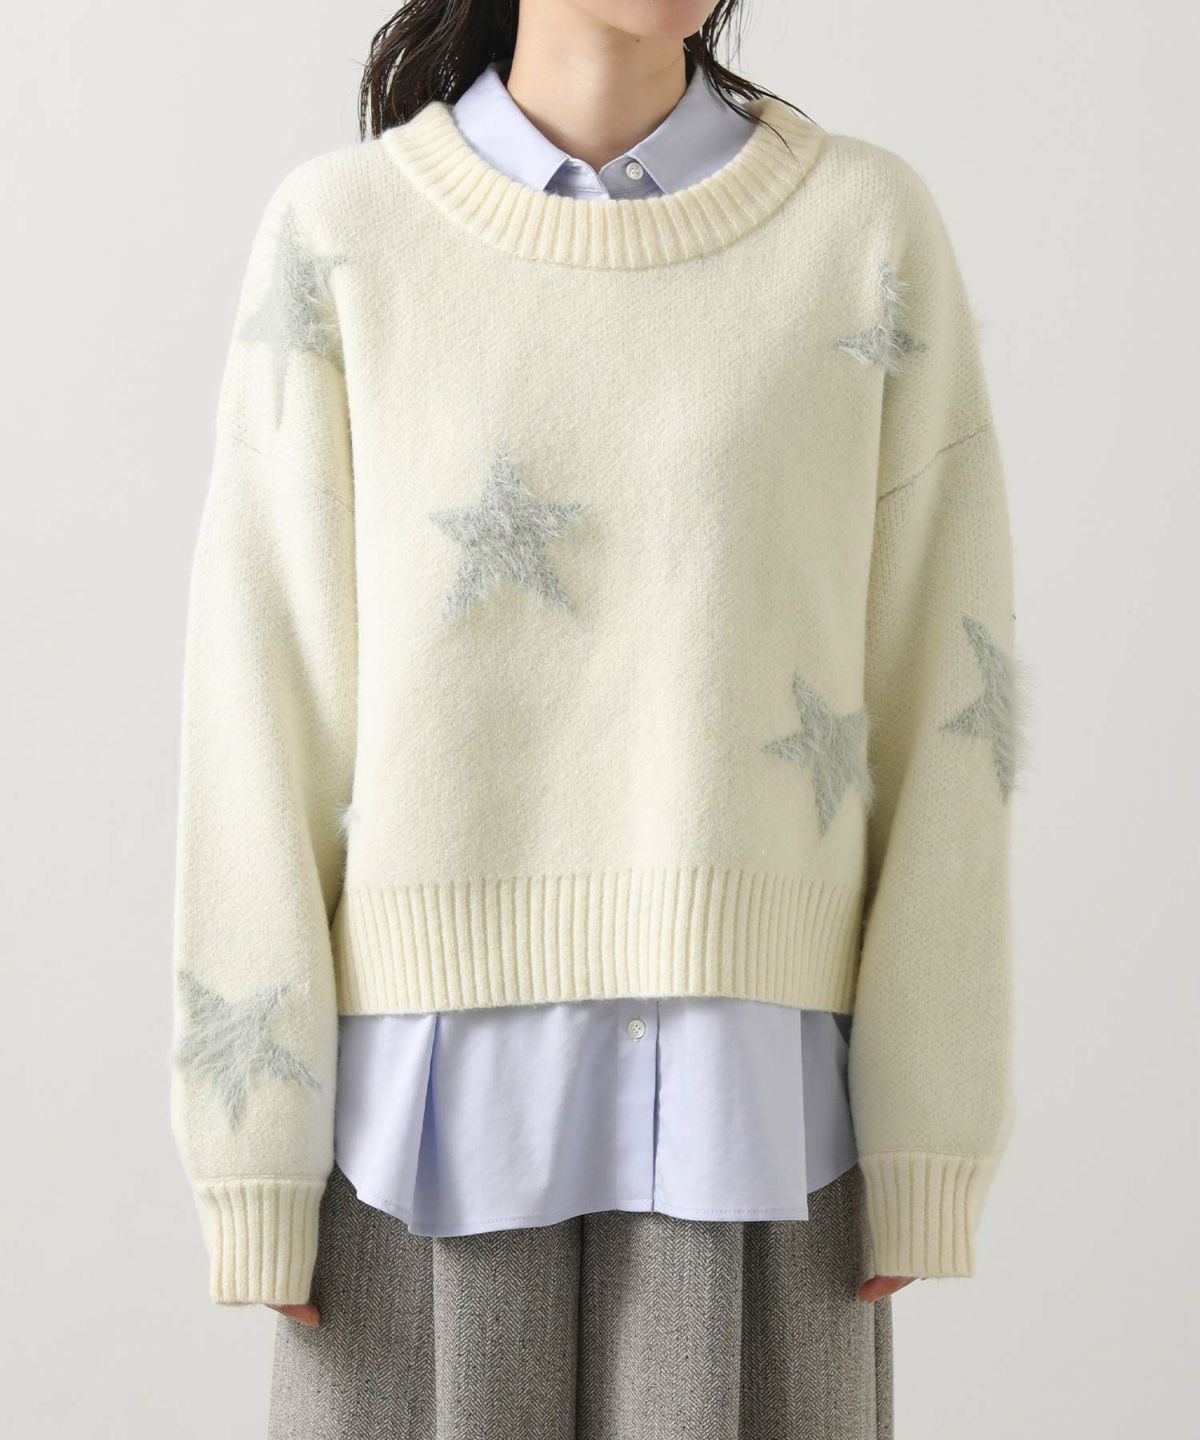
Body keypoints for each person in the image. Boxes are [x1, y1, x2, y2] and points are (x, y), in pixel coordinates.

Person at [169, 2, 1019, 1435]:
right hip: (416, 1134)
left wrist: (931, 1121)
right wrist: (250, 1152)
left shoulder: (864, 230)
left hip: (761, 1133)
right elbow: (258, 704)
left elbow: (950, 692)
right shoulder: (344, 234)